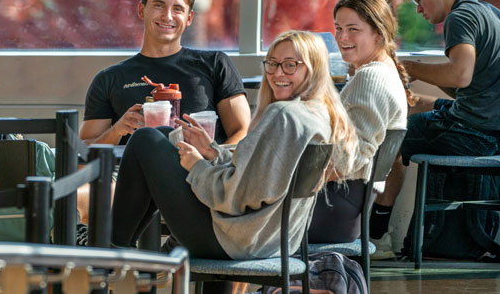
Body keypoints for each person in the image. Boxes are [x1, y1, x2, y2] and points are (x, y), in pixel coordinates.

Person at [111, 30, 357, 260]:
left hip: (234, 240)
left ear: (313, 70)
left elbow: (235, 198)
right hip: (271, 241)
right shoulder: (319, 114)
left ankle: (112, 253)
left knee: (146, 139)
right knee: (164, 134)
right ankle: (127, 254)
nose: (278, 73)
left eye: (290, 65)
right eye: (272, 63)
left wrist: (197, 165)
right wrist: (214, 153)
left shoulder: (283, 116)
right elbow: (261, 178)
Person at [368, 0, 500, 258]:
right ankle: (378, 234)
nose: (419, 9)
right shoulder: (491, 13)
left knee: (390, 134)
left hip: (471, 133)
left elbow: (460, 74)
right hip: (496, 133)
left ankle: (374, 236)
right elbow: (466, 84)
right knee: (415, 105)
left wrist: (409, 67)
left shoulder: (460, 17)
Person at [79, 0, 250, 146]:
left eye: (178, 9)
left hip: (200, 171)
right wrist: (117, 131)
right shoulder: (109, 79)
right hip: (134, 172)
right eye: (159, 5)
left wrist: (209, 165)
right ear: (141, 10)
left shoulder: (215, 64)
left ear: (189, 18)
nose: (167, 16)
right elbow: (83, 152)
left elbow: (242, 133)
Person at [307, 0, 414, 243]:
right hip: (344, 206)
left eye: (353, 29)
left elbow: (350, 159)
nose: (342, 37)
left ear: (379, 33)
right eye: (338, 28)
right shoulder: (378, 73)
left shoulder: (371, 78)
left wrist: (292, 180)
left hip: (334, 208)